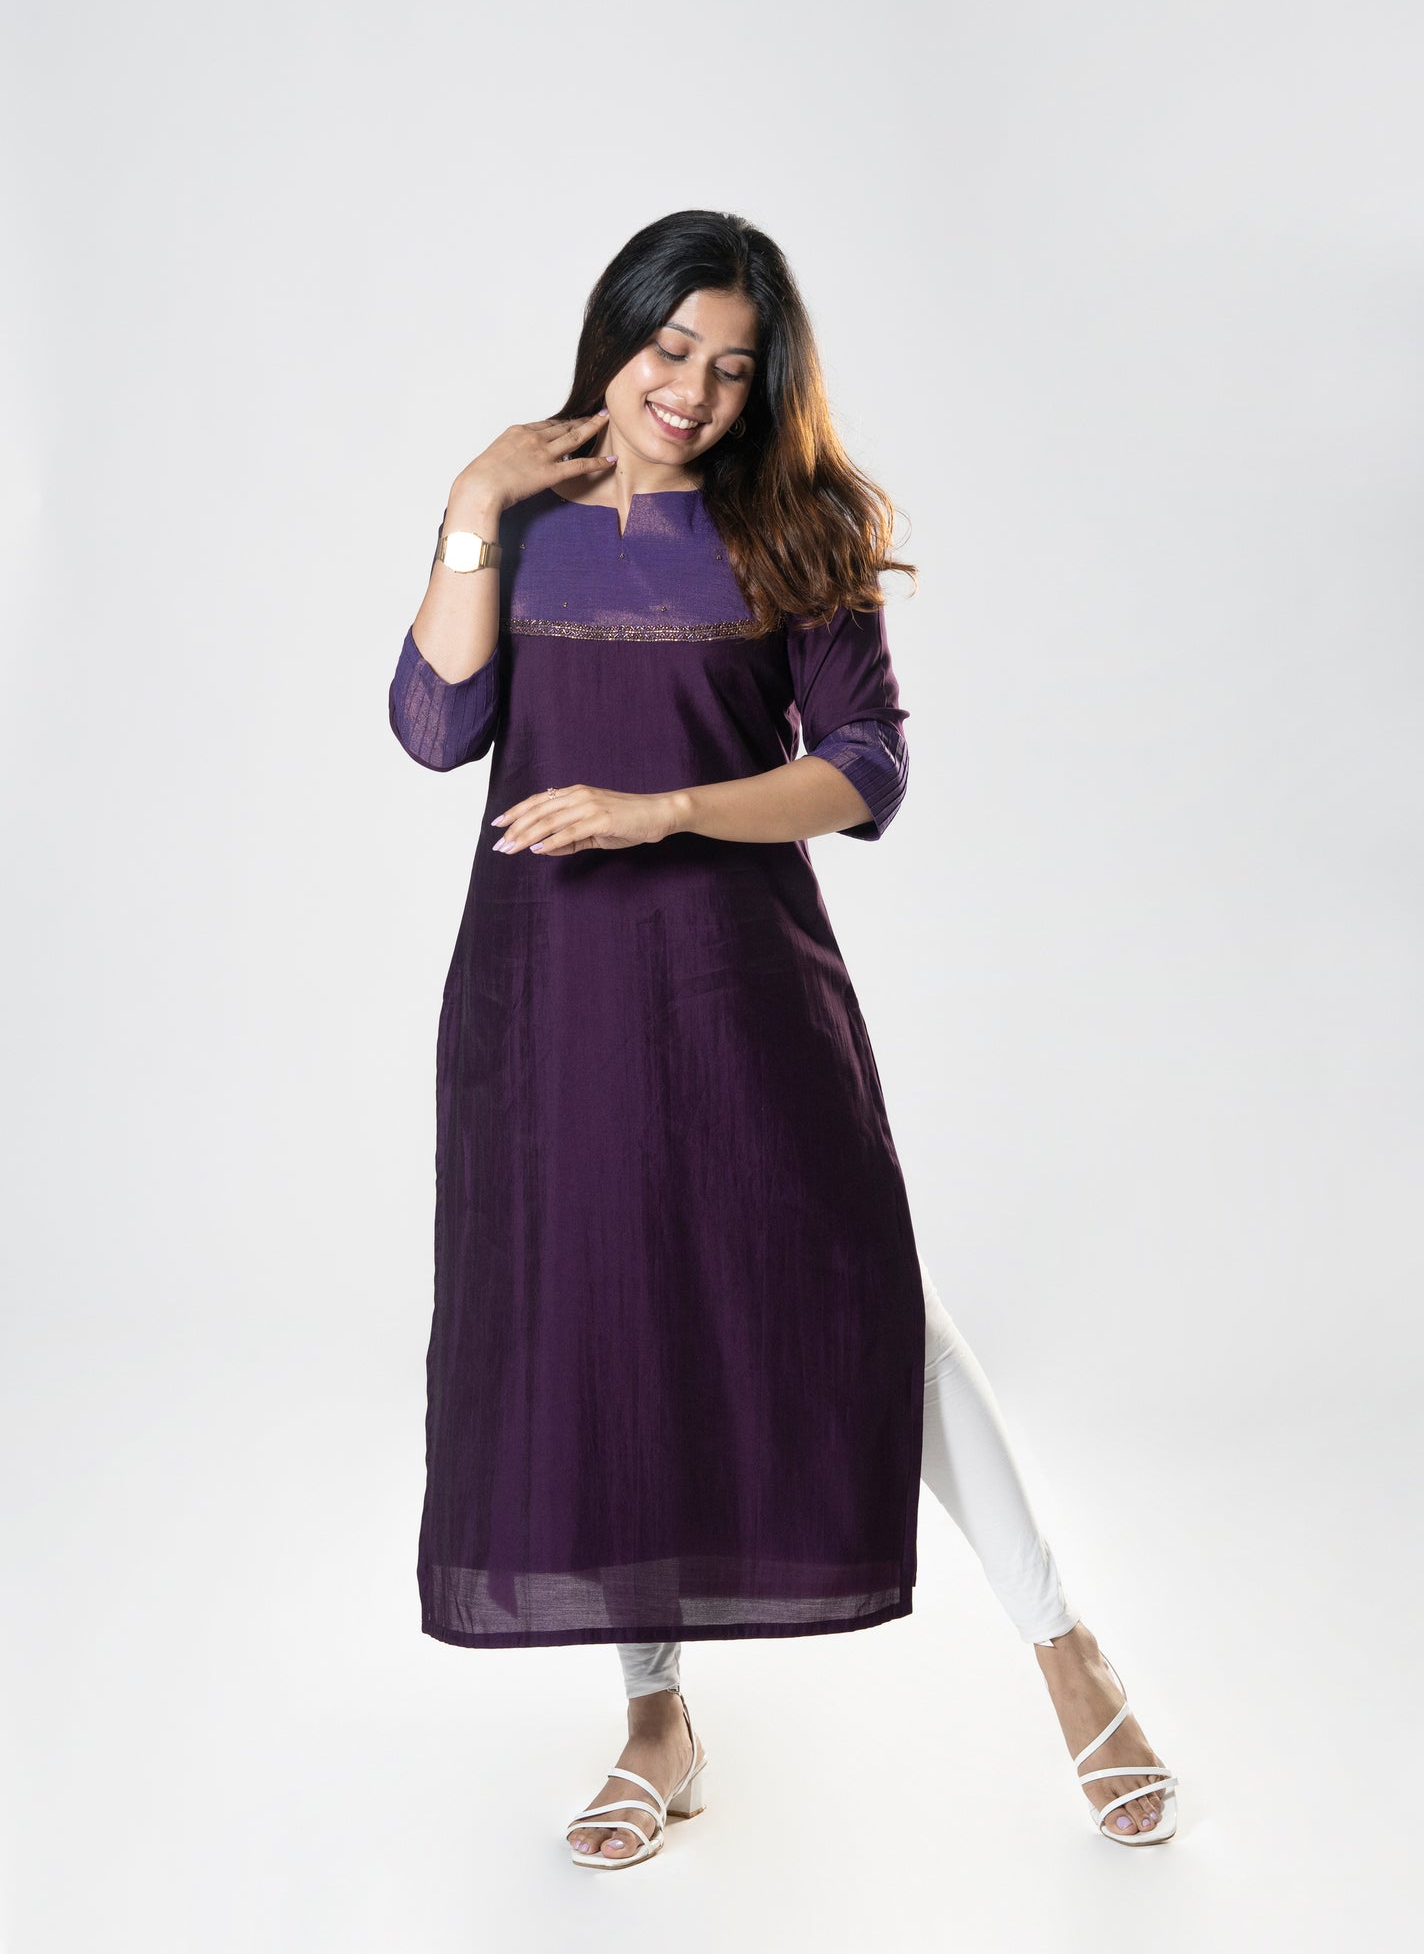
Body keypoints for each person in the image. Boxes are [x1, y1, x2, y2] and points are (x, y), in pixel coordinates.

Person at [386, 209, 1177, 1869]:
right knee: (607, 1324)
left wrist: (661, 808)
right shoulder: (520, 517)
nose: (690, 389)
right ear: (615, 335)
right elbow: (435, 724)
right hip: (545, 991)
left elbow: (867, 768)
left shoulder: (797, 527)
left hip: (735, 982)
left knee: (872, 1307)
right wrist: (466, 503)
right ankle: (654, 1722)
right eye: (669, 347)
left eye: (732, 367)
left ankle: (1069, 1656)